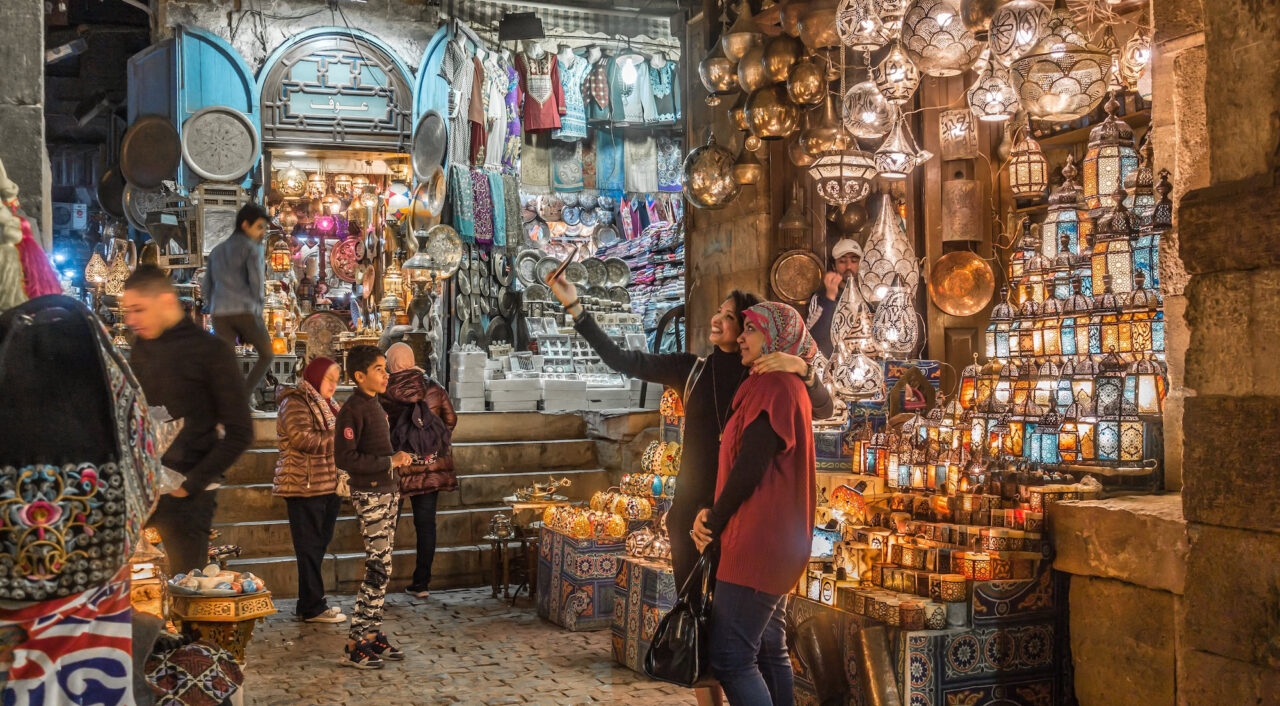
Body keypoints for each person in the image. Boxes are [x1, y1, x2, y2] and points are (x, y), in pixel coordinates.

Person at [548, 274, 829, 705]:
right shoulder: (693, 371)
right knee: (700, 628)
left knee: (753, 645)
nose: (717, 320)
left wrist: (802, 367)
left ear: (755, 330)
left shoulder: (769, 376)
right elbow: (623, 359)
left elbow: (819, 407)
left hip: (741, 521)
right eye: (720, 312)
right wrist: (576, 309)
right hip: (694, 521)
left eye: (733, 318)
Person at [693, 301, 818, 706]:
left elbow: (750, 466)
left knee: (731, 658)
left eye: (751, 329)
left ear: (776, 340)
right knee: (767, 646)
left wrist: (714, 519)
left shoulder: (773, 387)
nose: (741, 337)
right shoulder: (779, 384)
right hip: (777, 541)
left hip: (756, 542)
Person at [124, 265, 253, 577]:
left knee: (187, 587)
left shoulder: (211, 352)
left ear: (167, 301)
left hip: (189, 497)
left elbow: (240, 432)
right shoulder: (142, 347)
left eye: (138, 310)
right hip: (142, 489)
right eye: (127, 311)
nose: (131, 320)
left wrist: (190, 484)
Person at [334, 344, 414, 669]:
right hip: (370, 496)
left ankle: (372, 634)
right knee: (377, 569)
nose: (386, 374)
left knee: (383, 568)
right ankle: (356, 640)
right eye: (379, 369)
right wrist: (388, 462)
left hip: (388, 491)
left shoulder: (375, 405)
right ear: (359, 375)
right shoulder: (351, 410)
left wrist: (397, 462)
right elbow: (346, 458)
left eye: (385, 368)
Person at [379, 342, 459, 599]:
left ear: (390, 363)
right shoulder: (433, 387)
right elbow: (451, 420)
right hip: (430, 465)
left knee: (387, 526)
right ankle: (421, 583)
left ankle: (378, 583)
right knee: (426, 525)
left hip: (399, 467)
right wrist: (430, 440)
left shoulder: (383, 389)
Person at [273, 356, 347, 624]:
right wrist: (341, 437)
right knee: (309, 546)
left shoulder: (328, 405)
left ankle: (309, 603)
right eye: (330, 379)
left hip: (326, 483)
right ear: (315, 377)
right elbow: (302, 438)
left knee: (318, 544)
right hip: (303, 484)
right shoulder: (295, 402)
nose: (333, 386)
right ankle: (314, 606)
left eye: (337, 380)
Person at [203, 203, 274, 403]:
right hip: (245, 311)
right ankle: (243, 398)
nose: (262, 233)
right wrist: (257, 313)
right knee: (267, 355)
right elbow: (257, 283)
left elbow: (206, 286)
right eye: (259, 227)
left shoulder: (217, 251)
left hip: (219, 315)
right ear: (245, 225)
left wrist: (213, 308)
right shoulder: (253, 248)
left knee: (227, 361)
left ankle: (223, 402)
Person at [806, 238, 863, 358]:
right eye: (842, 261)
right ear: (834, 266)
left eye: (854, 261)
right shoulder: (821, 297)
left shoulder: (868, 295)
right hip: (832, 363)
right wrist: (830, 297)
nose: (848, 266)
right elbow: (812, 336)